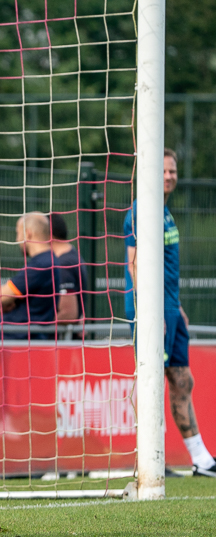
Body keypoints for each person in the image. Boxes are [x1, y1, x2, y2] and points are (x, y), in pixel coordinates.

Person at [124, 148, 216, 477]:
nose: (168, 176)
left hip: (170, 308)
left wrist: (176, 306)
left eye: (172, 171)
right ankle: (149, 459)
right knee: (152, 381)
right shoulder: (141, 212)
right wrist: (151, 310)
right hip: (152, 309)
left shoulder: (164, 213)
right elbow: (135, 264)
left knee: (182, 379)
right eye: (162, 171)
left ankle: (202, 459)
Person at [0, 212, 73, 339]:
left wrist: (9, 299)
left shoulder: (42, 264)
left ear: (28, 233)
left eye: (18, 233)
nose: (17, 239)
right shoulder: (46, 261)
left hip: (21, 342)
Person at [50, 212, 86, 322]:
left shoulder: (64, 264)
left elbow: (68, 314)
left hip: (62, 333)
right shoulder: (73, 255)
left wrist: (38, 328)